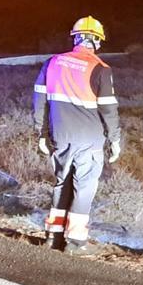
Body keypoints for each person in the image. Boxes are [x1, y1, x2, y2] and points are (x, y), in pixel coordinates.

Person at [32, 16, 121, 256]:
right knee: (85, 187)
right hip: (89, 138)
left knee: (62, 182)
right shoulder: (101, 69)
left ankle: (53, 236)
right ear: (97, 42)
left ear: (75, 38)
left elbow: (39, 99)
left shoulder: (52, 62)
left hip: (60, 135)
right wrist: (115, 139)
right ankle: (76, 241)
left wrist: (41, 133)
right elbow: (108, 109)